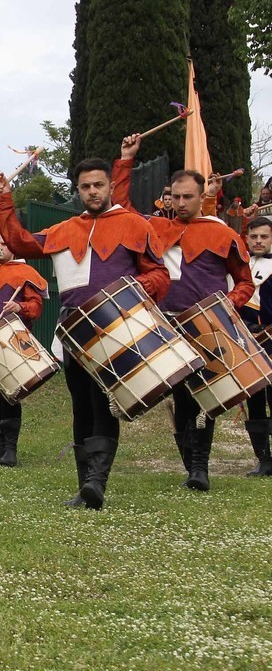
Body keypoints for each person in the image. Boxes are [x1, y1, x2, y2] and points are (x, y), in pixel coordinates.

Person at [0, 158, 169, 510]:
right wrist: (3, 201)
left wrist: (130, 289)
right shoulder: (65, 228)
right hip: (72, 327)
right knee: (81, 406)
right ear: (79, 190)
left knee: (103, 402)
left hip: (116, 325)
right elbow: (21, 242)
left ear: (110, 187)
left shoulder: (135, 225)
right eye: (85, 186)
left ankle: (97, 483)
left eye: (98, 185)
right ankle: (84, 484)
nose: (92, 192)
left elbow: (160, 277)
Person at [113, 135, 254, 491]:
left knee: (207, 396)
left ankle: (199, 467)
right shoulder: (157, 228)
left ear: (202, 195)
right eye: (174, 196)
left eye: (187, 197)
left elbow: (244, 282)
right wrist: (126, 160)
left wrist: (228, 306)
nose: (179, 203)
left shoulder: (222, 234)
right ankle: (192, 466)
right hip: (168, 324)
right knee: (181, 397)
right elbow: (121, 210)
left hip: (208, 323)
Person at [0, 240, 48, 468]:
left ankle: (10, 452)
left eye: (4, 243)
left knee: (10, 395)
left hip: (10, 341)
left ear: (14, 246)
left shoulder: (25, 272)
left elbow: (36, 307)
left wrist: (20, 308)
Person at [240, 216, 272, 477]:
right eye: (254, 237)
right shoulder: (241, 266)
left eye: (264, 236)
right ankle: (263, 459)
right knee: (255, 400)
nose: (259, 241)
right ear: (247, 238)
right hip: (248, 340)